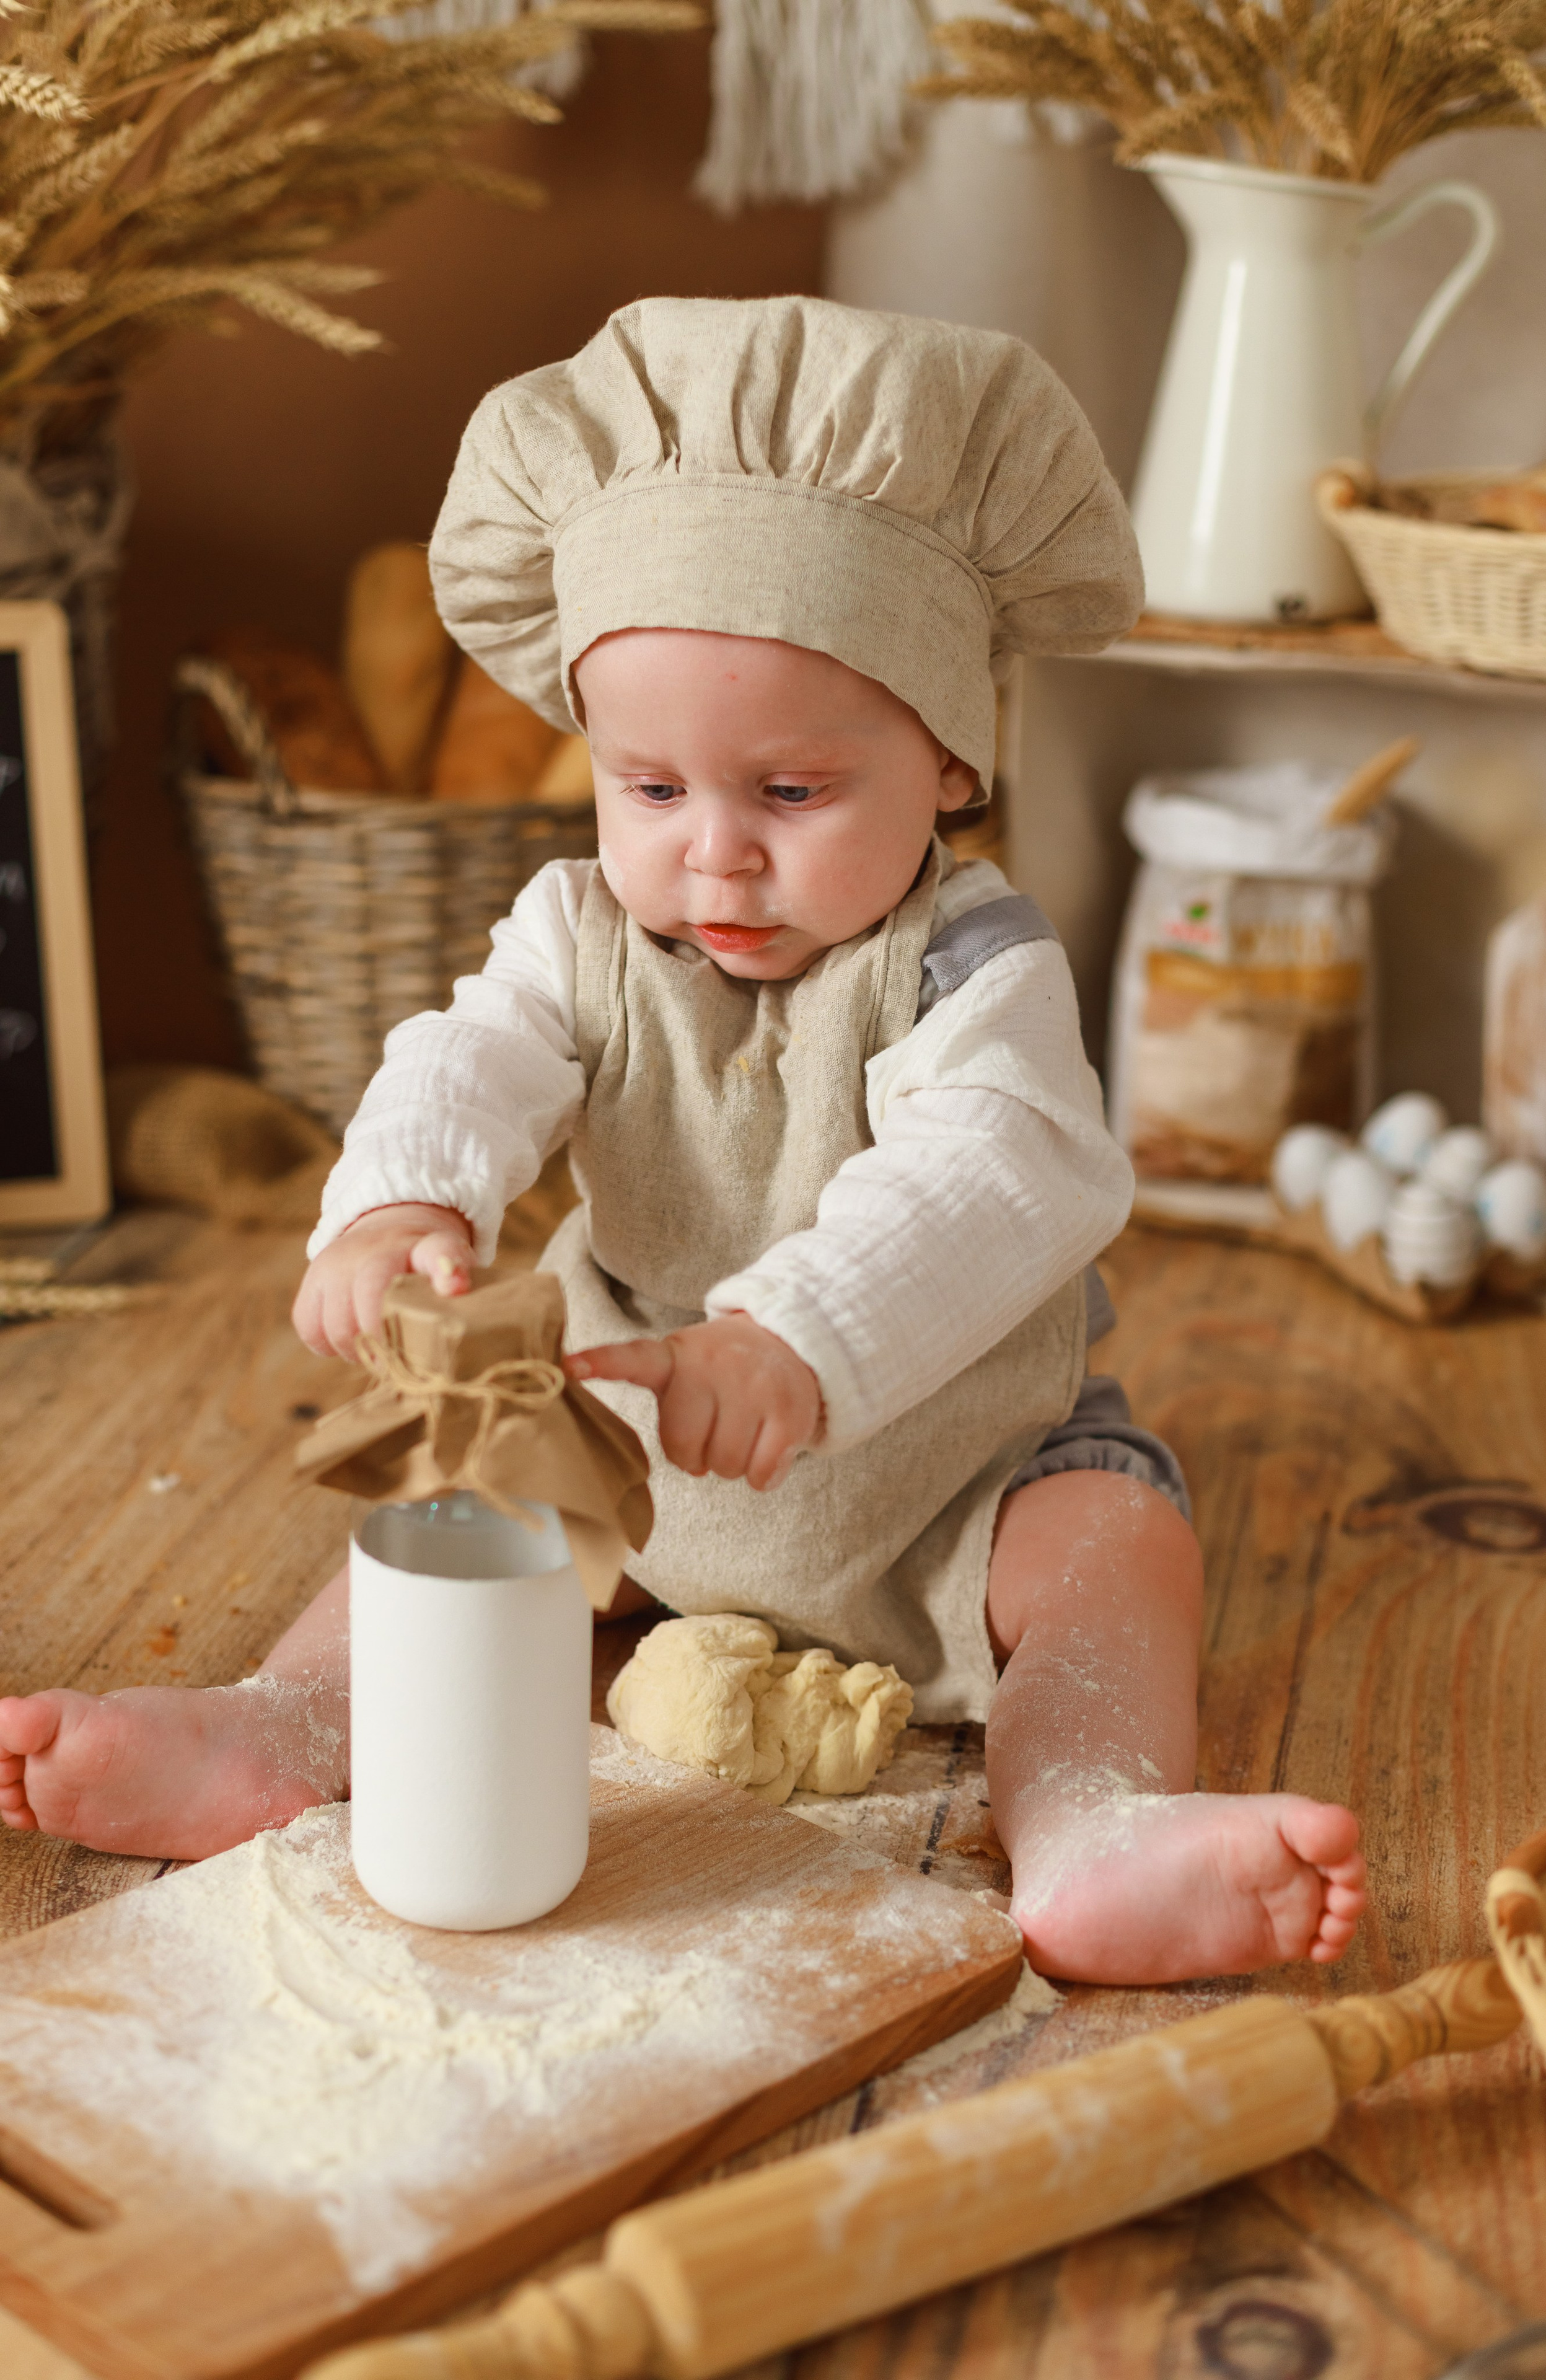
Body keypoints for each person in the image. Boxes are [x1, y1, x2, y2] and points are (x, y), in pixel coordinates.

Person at [0, 299, 1365, 1983]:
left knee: (1116, 1550)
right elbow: (474, 1052)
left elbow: (1002, 1169)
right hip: (632, 1449)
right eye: (650, 788)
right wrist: (406, 1194)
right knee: (462, 1488)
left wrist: (800, 1330)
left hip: (955, 1473)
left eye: (789, 795)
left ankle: (1089, 1812)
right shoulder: (579, 933)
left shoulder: (971, 966)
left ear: (950, 761)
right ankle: (283, 1728)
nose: (712, 857)